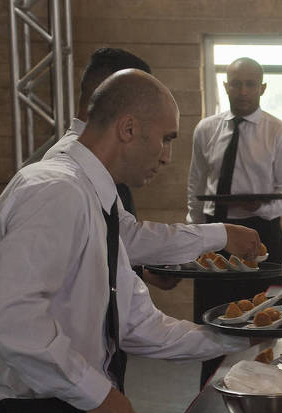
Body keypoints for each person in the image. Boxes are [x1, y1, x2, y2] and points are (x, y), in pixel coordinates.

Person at [0, 70, 253, 413]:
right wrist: (95, 392)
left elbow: (135, 323)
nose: (168, 156)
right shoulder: (56, 190)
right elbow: (9, 319)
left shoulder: (97, 198)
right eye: (166, 139)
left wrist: (242, 335)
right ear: (129, 128)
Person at [43, 48, 260, 286]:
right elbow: (18, 309)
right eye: (165, 139)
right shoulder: (59, 182)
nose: (166, 157)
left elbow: (119, 241)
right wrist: (220, 234)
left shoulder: (90, 167)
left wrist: (143, 272)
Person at [187, 57, 282, 263]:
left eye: (250, 84)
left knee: (265, 295)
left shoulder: (281, 132)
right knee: (213, 295)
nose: (243, 91)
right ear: (226, 86)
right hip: (214, 228)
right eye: (236, 84)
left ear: (263, 88)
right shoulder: (206, 129)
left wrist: (261, 208)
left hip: (261, 227)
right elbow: (196, 183)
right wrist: (194, 229)